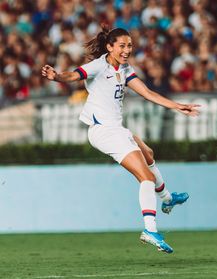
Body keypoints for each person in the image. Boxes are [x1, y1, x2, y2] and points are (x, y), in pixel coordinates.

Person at [42, 25, 200, 254]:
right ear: (110, 47)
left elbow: (147, 93)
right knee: (145, 177)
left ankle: (166, 198)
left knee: (148, 154)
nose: (127, 50)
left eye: (130, 45)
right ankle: (150, 229)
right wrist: (56, 76)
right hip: (103, 131)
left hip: (116, 129)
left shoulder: (125, 69)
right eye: (122, 46)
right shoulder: (98, 65)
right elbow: (74, 75)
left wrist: (177, 106)